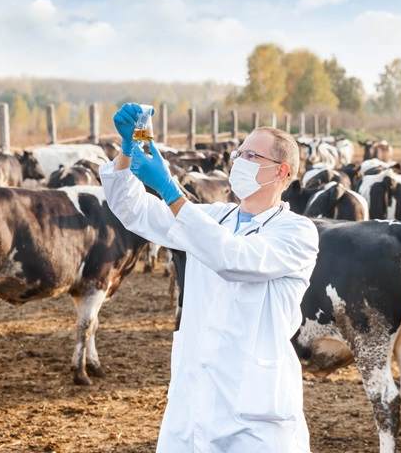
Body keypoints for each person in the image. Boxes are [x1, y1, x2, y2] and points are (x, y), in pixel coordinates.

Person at [100, 103, 319, 452]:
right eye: (239, 152)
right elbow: (132, 209)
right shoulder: (214, 216)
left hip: (255, 416)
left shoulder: (297, 232)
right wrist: (132, 146)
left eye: (251, 155)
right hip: (194, 400)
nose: (238, 161)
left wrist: (171, 191)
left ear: (282, 171)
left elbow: (233, 258)